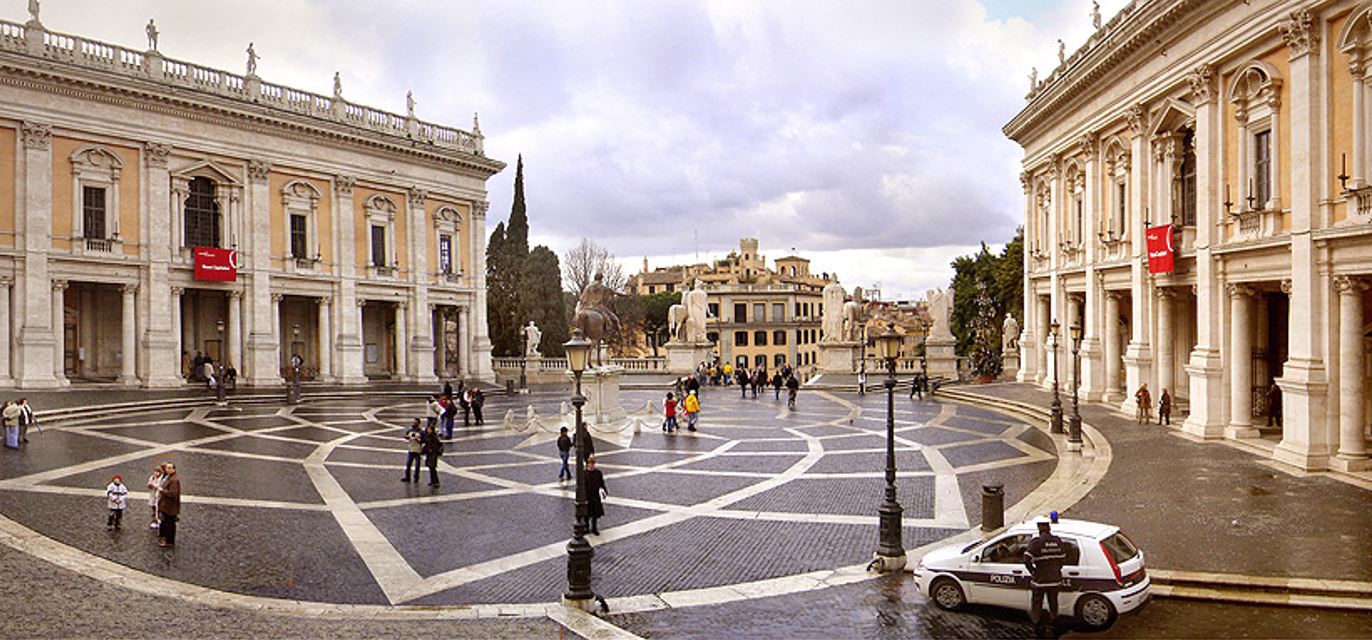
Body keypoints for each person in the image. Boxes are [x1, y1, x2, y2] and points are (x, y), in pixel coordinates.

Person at [1023, 517, 1068, 636]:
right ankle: (1054, 623)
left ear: (1039, 528)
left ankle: (1038, 626)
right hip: (1055, 580)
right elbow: (1063, 558)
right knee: (1053, 602)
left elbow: (1026, 559)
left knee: (1037, 603)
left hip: (1040, 581)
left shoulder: (1036, 543)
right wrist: (1056, 568)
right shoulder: (1057, 541)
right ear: (1049, 527)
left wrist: (1033, 571)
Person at [157, 462, 180, 548]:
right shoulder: (169, 478)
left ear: (174, 469)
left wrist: (162, 490)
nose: (168, 469)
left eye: (170, 468)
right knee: (166, 522)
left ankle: (169, 541)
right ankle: (165, 538)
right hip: (166, 506)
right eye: (167, 468)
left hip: (170, 507)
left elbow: (172, 494)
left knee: (169, 524)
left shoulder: (174, 480)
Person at [585, 455, 607, 535]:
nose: (592, 465)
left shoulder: (598, 473)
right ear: (588, 464)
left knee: (595, 514)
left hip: (595, 496)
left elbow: (601, 482)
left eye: (593, 463)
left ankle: (594, 528)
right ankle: (586, 527)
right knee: (587, 514)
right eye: (591, 463)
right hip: (587, 496)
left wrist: (604, 490)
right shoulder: (584, 473)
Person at [402, 419, 424, 483]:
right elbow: (407, 436)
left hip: (417, 450)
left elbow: (423, 441)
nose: (413, 423)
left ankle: (416, 478)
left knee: (417, 465)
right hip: (411, 449)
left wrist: (418, 440)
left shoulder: (421, 432)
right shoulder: (410, 430)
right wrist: (407, 437)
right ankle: (407, 477)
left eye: (415, 422)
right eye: (413, 422)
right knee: (408, 464)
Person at [145, 465, 164, 529]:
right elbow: (149, 484)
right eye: (155, 471)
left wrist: (155, 486)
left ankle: (159, 520)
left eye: (157, 472)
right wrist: (150, 485)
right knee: (154, 509)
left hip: (159, 496)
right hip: (153, 495)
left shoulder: (162, 479)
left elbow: (160, 487)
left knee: (158, 509)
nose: (156, 473)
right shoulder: (152, 477)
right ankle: (154, 521)